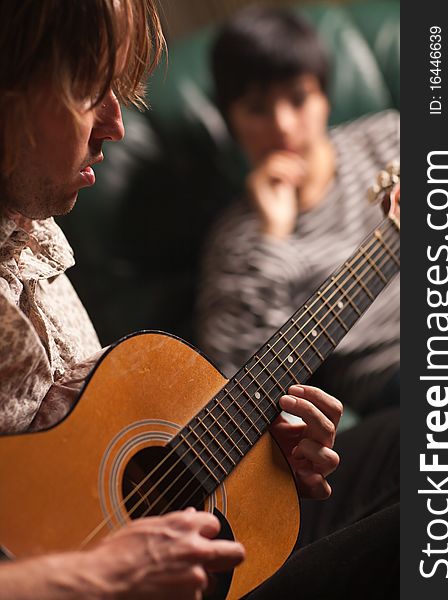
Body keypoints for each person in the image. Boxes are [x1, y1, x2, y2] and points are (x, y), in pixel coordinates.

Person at [0, 2, 397, 598]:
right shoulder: (236, 238)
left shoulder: (30, 223)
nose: (117, 126)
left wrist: (258, 456)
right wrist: (97, 573)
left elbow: (91, 440)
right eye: (87, 93)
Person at [195, 6, 400, 417]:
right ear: (231, 122)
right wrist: (273, 238)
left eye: (299, 98)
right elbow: (238, 389)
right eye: (257, 108)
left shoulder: (389, 137)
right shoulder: (237, 242)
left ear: (325, 98)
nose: (283, 125)